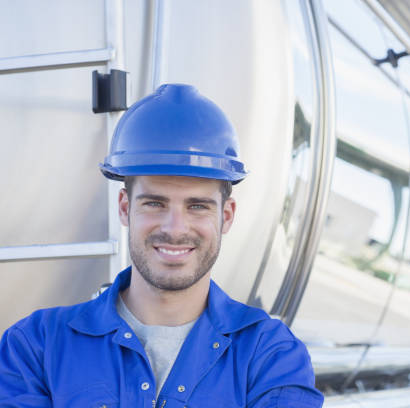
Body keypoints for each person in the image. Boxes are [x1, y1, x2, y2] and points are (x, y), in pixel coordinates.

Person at [0, 84, 324, 407]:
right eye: (155, 203)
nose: (175, 229)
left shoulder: (269, 356)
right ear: (125, 208)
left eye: (197, 206)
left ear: (226, 216)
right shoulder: (37, 345)